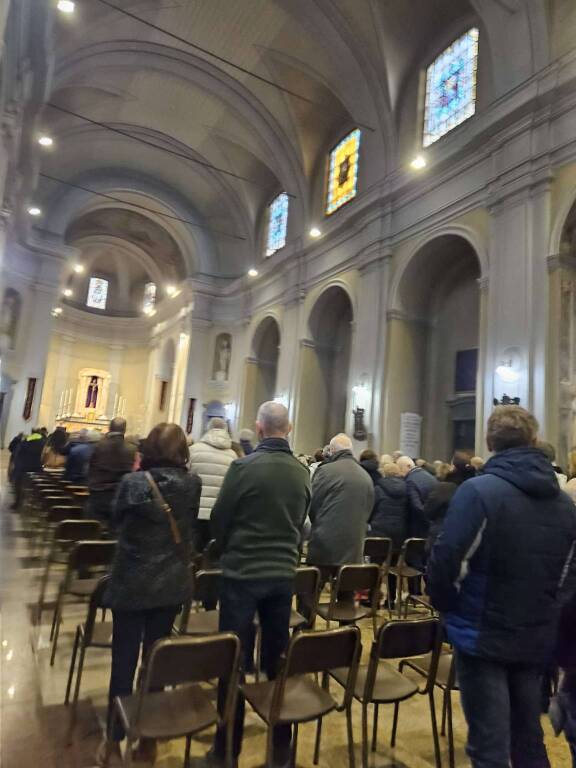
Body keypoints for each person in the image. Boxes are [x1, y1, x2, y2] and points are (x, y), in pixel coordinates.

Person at [427, 405, 576, 768]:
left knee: (489, 747)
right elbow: (567, 577)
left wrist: (450, 609)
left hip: (482, 637)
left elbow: (446, 561)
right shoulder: (564, 504)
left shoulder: (479, 492)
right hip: (534, 635)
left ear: (490, 442)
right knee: (528, 740)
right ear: (534, 440)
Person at [209, 401, 310, 767]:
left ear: (259, 427)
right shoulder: (302, 473)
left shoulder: (242, 467)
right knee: (277, 661)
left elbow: (220, 519)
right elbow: (301, 521)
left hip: (242, 573)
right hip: (282, 575)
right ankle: (280, 752)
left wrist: (226, 547)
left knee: (233, 659)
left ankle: (226, 751)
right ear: (290, 428)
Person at [100, 423, 201, 766]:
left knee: (123, 660)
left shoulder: (134, 483)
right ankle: (148, 740)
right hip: (171, 583)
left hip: (132, 582)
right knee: (156, 660)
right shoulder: (193, 484)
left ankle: (113, 741)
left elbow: (114, 519)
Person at [307, 434, 374, 577]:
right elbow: (369, 510)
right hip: (354, 547)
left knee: (311, 593)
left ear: (331, 450)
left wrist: (318, 526)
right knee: (346, 595)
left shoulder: (325, 471)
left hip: (324, 546)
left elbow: (313, 505)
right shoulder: (365, 476)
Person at [189, 417, 237, 552]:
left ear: (207, 429)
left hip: (195, 511)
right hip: (217, 514)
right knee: (211, 554)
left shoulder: (194, 450)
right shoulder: (232, 455)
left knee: (193, 552)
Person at [87, 418, 136, 528]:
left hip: (98, 494)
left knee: (92, 532)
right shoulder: (132, 449)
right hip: (120, 496)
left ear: (110, 428)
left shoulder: (98, 445)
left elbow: (91, 468)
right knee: (114, 534)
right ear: (124, 430)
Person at [424, 452, 476, 552]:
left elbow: (428, 511)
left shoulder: (444, 488)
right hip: (469, 536)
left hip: (443, 535)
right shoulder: (475, 486)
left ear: (452, 467)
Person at [397, 455, 438, 538]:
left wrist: (427, 521)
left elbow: (417, 506)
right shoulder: (431, 478)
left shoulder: (410, 481)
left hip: (419, 528)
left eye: (400, 469)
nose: (400, 474)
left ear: (408, 466)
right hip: (434, 524)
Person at [12, 428, 47, 508]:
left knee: (19, 485)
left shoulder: (25, 440)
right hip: (36, 468)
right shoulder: (44, 442)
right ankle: (32, 504)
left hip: (23, 467)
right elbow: (44, 456)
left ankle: (17, 503)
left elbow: (18, 453)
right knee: (34, 487)